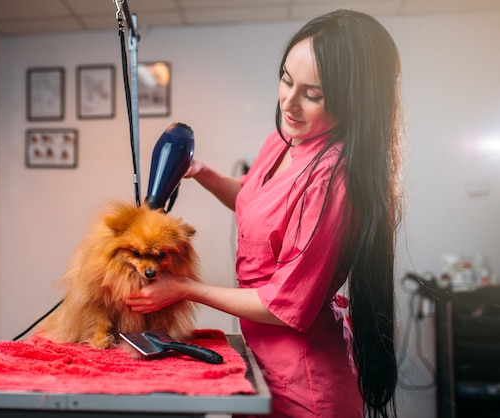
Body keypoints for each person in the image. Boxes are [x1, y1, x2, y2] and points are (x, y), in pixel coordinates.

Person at [126, 9, 402, 418]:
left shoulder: (334, 181)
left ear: (353, 102)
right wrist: (201, 172)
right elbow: (257, 203)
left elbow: (283, 306)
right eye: (287, 80)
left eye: (313, 94)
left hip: (305, 383)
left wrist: (183, 288)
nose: (289, 103)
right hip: (262, 364)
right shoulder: (286, 139)